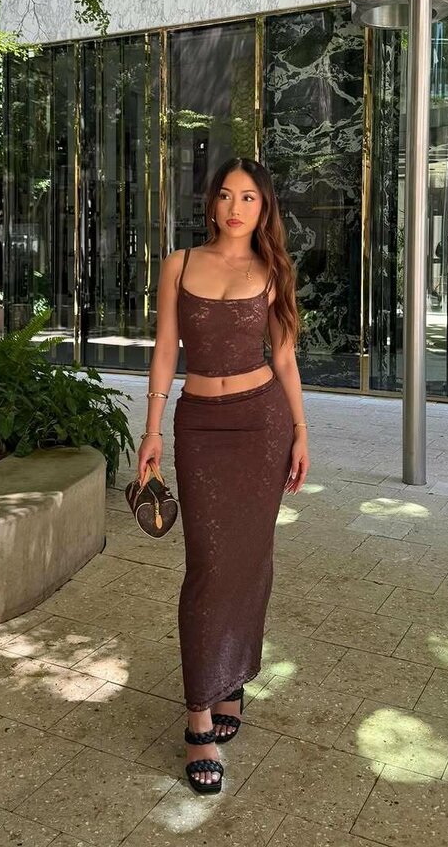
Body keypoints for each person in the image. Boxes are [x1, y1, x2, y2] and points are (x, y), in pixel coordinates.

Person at [137, 156, 310, 794]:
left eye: (250, 198)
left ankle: (231, 677)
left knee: (249, 559)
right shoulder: (180, 264)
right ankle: (198, 717)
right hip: (200, 427)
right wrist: (152, 429)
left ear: (264, 209)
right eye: (227, 196)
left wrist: (300, 430)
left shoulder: (273, 270)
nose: (237, 208)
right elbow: (165, 348)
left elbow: (285, 358)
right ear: (211, 203)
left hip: (263, 424)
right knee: (208, 566)